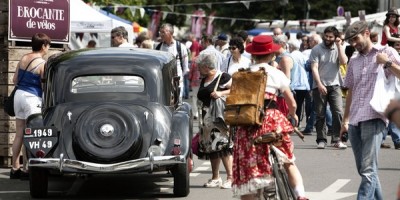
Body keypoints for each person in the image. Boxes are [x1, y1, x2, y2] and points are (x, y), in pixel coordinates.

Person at [232, 35, 308, 200]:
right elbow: (292, 103)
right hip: (272, 121)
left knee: (249, 172)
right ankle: (300, 195)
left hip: (248, 123)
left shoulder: (242, 74)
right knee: (288, 160)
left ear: (253, 55)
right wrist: (292, 115)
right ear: (271, 55)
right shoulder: (275, 73)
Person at [341, 21, 400, 200]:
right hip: (355, 120)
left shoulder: (386, 52)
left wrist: (387, 63)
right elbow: (352, 90)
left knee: (367, 170)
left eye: (356, 39)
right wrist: (345, 120)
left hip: (375, 117)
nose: (353, 44)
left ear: (367, 33)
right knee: (365, 169)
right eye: (350, 41)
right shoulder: (354, 60)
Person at [10, 33, 51, 179]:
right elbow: (44, 87)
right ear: (43, 46)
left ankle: (15, 169)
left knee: (19, 133)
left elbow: (15, 80)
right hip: (32, 99)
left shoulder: (23, 58)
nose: (49, 48)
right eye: (48, 45)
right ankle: (27, 170)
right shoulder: (42, 64)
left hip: (18, 96)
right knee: (31, 134)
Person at [196, 53, 233, 189]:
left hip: (219, 118)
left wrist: (221, 93)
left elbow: (236, 89)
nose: (198, 69)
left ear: (206, 66)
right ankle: (216, 177)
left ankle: (230, 177)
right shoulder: (204, 78)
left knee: (223, 147)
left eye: (199, 67)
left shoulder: (223, 76)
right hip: (206, 118)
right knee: (211, 148)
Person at [310, 26, 348, 149]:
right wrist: (319, 84)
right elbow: (314, 68)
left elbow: (343, 62)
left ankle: (337, 139)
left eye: (330, 37)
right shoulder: (316, 49)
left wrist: (339, 45)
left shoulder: (338, 48)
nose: (327, 38)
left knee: (338, 112)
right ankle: (321, 139)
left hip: (335, 84)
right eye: (326, 36)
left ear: (335, 37)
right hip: (319, 85)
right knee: (320, 114)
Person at [156, 23, 189, 101]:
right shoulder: (158, 47)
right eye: (160, 32)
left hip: (176, 82)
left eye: (163, 32)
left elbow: (185, 67)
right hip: (162, 82)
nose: (161, 34)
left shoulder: (181, 47)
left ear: (171, 33)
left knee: (177, 103)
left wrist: (179, 78)